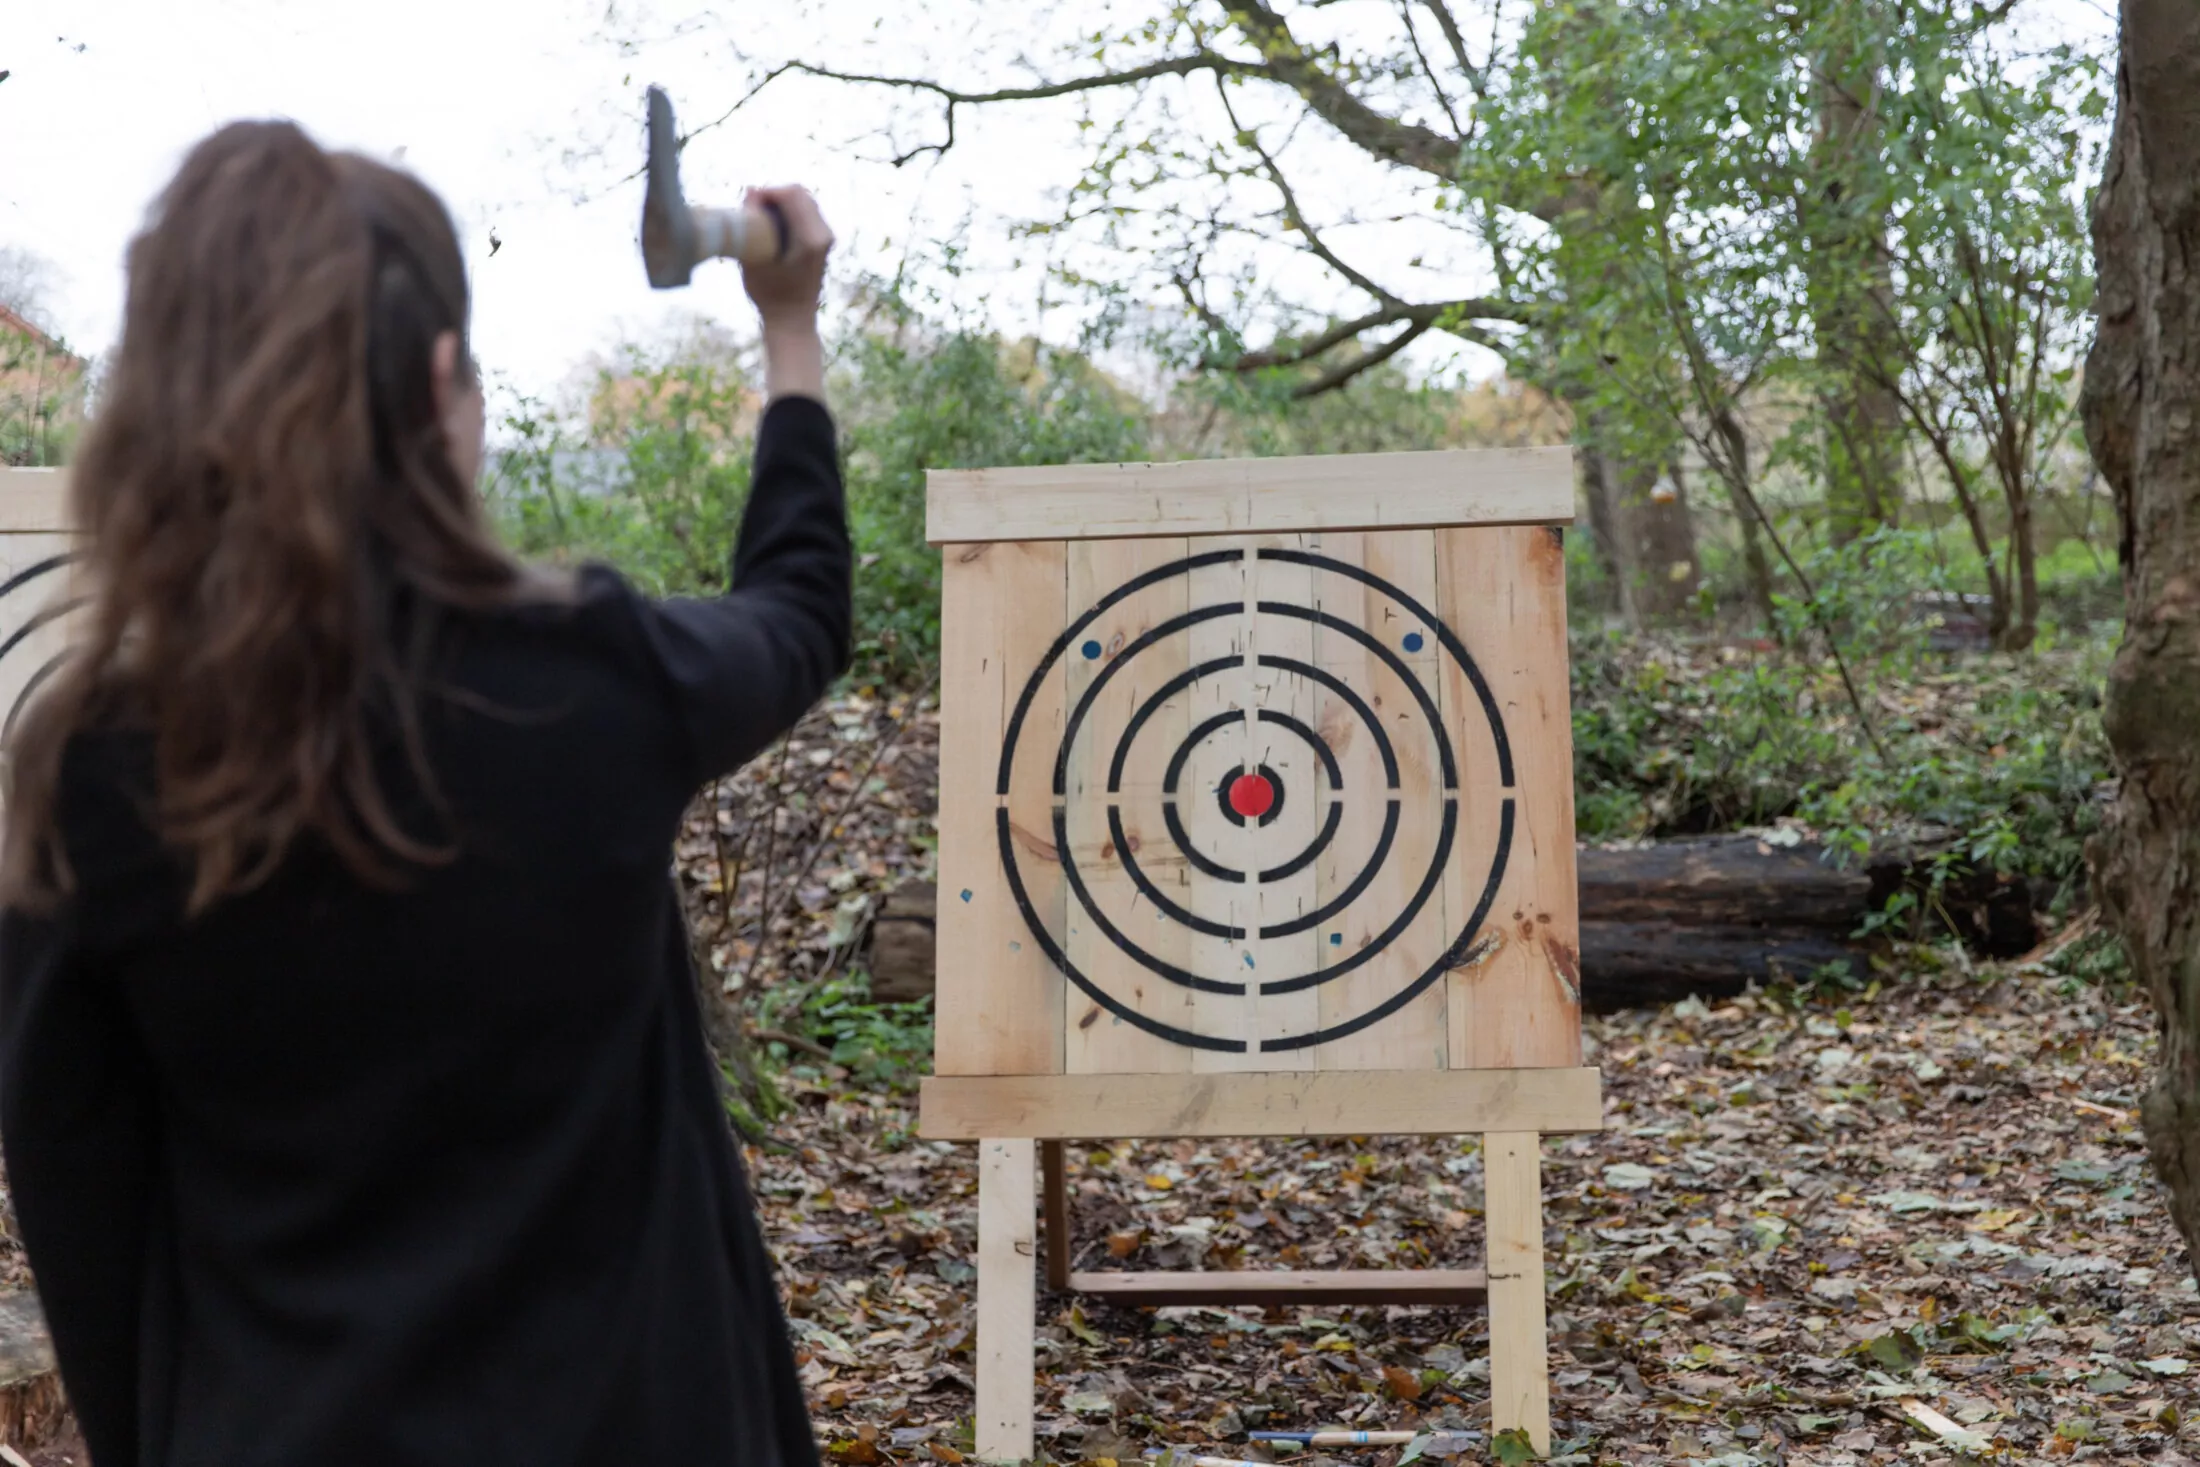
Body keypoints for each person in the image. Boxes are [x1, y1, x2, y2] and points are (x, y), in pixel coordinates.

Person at [0, 119, 847, 1467]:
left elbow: (85, 1228)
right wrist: (788, 331)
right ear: (447, 385)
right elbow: (798, 609)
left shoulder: (86, 778)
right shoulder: (595, 680)